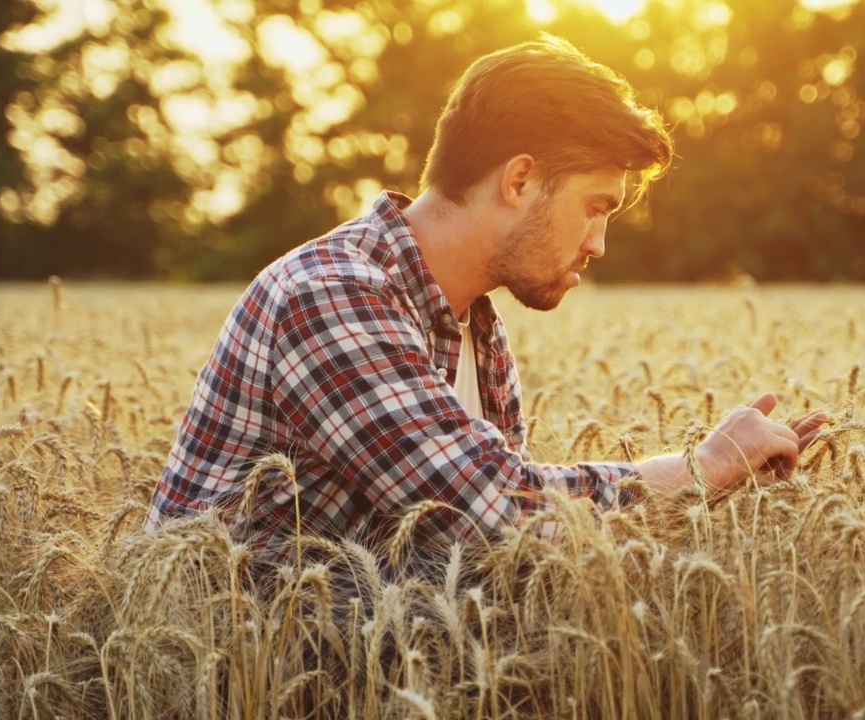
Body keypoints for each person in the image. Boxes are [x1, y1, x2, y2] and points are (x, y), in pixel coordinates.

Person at [145, 36, 826, 567]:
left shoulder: (478, 329)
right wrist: (700, 469)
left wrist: (718, 510)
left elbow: (499, 558)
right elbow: (494, 518)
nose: (599, 244)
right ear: (521, 180)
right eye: (595, 208)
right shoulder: (330, 295)